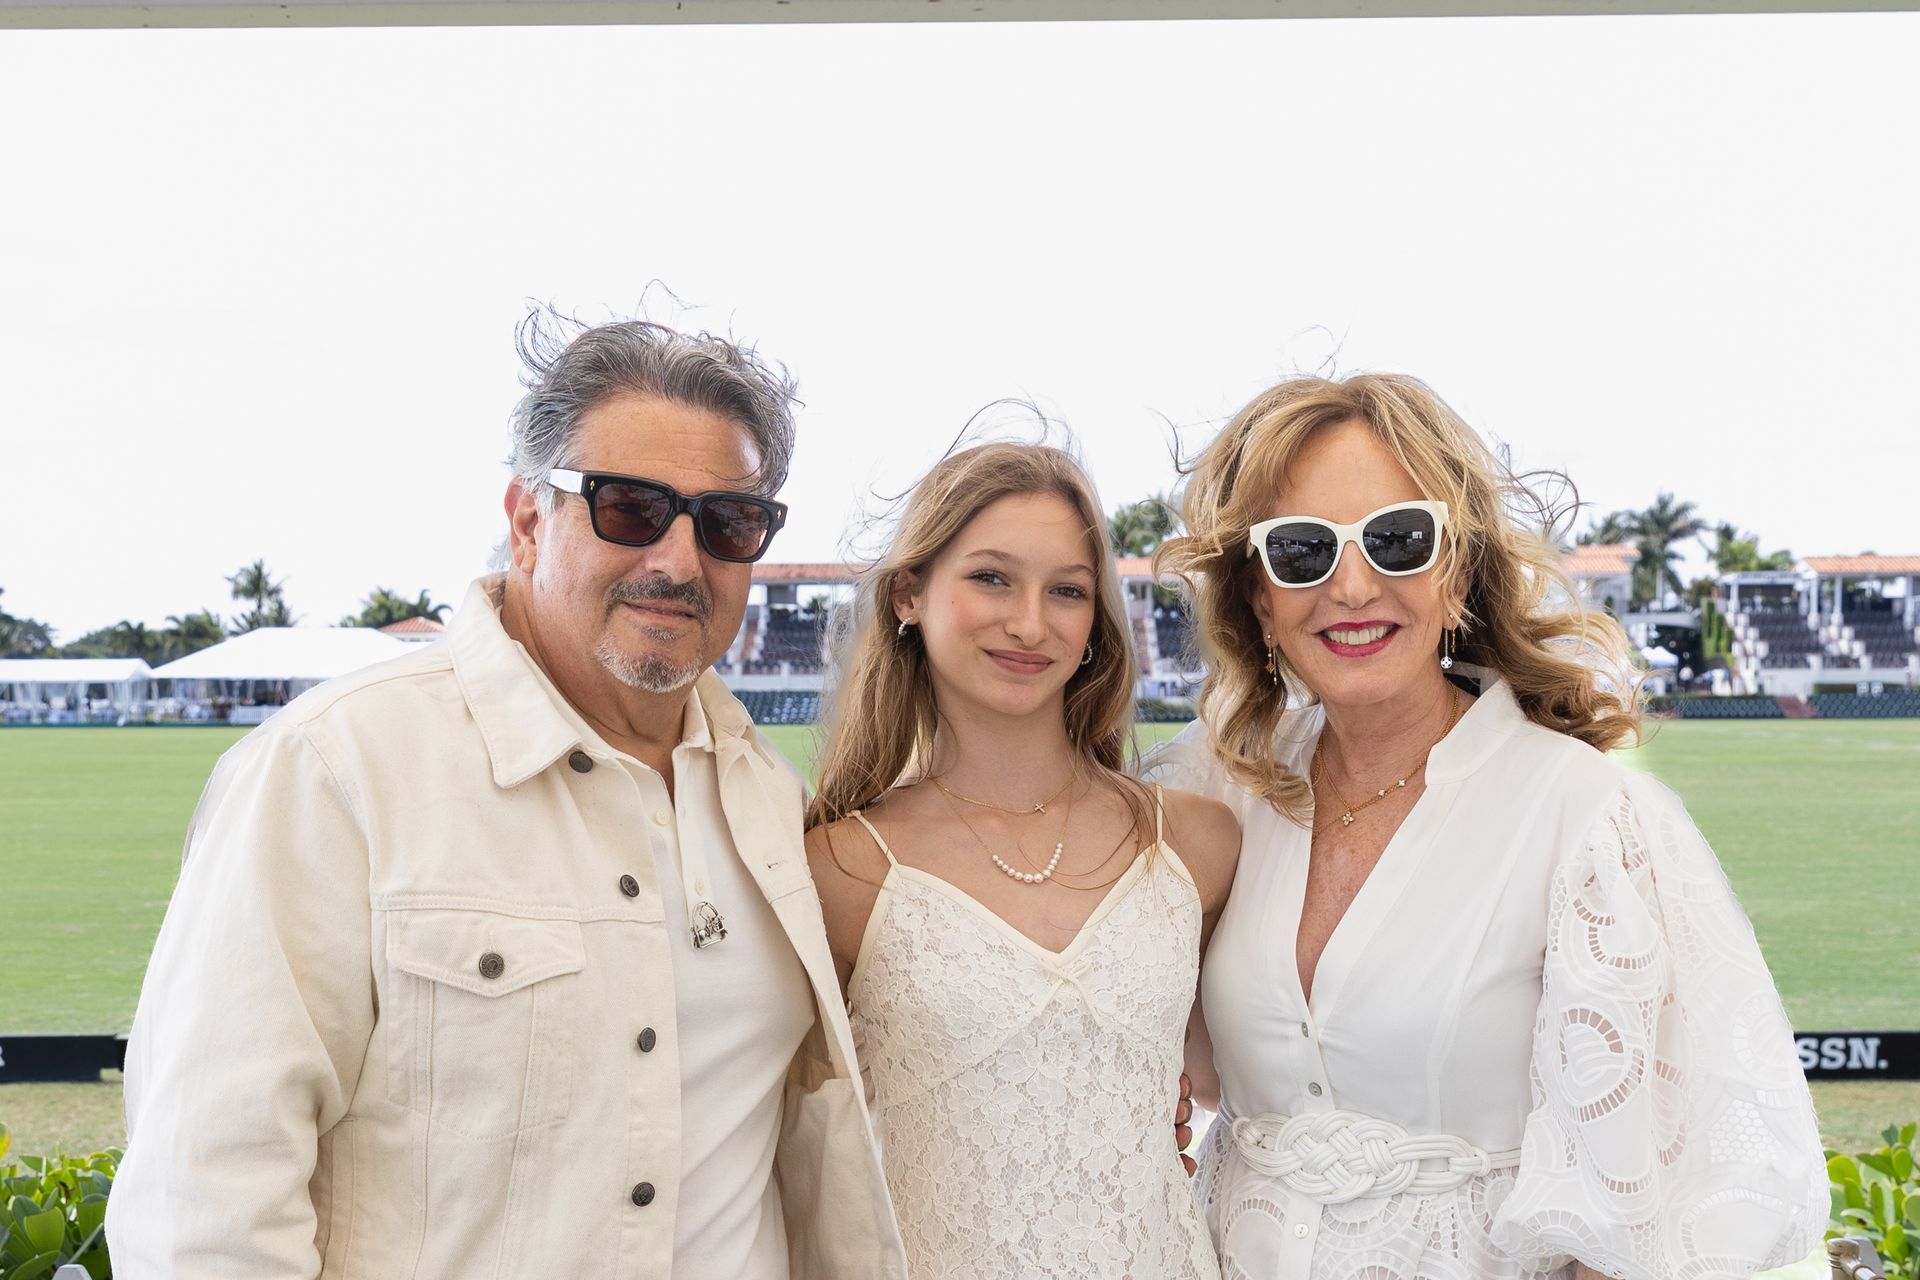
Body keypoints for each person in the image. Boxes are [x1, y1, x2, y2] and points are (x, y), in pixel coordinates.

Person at [107, 314, 907, 1279]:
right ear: (529, 521)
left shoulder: (774, 806)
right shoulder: (336, 773)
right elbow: (202, 1208)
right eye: (628, 508)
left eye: (728, 522)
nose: (679, 561)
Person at [1143, 373, 1826, 1279]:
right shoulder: (1213, 788)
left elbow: (1652, 1212)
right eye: (1301, 550)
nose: (1351, 585)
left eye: (1397, 541)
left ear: (1457, 570)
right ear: (1260, 598)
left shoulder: (1585, 821)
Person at [805, 441, 1240, 1278]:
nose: (1031, 623)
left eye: (1067, 591)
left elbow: (1235, 1079)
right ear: (909, 592)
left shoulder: (1196, 845)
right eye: (992, 578)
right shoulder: (839, 871)